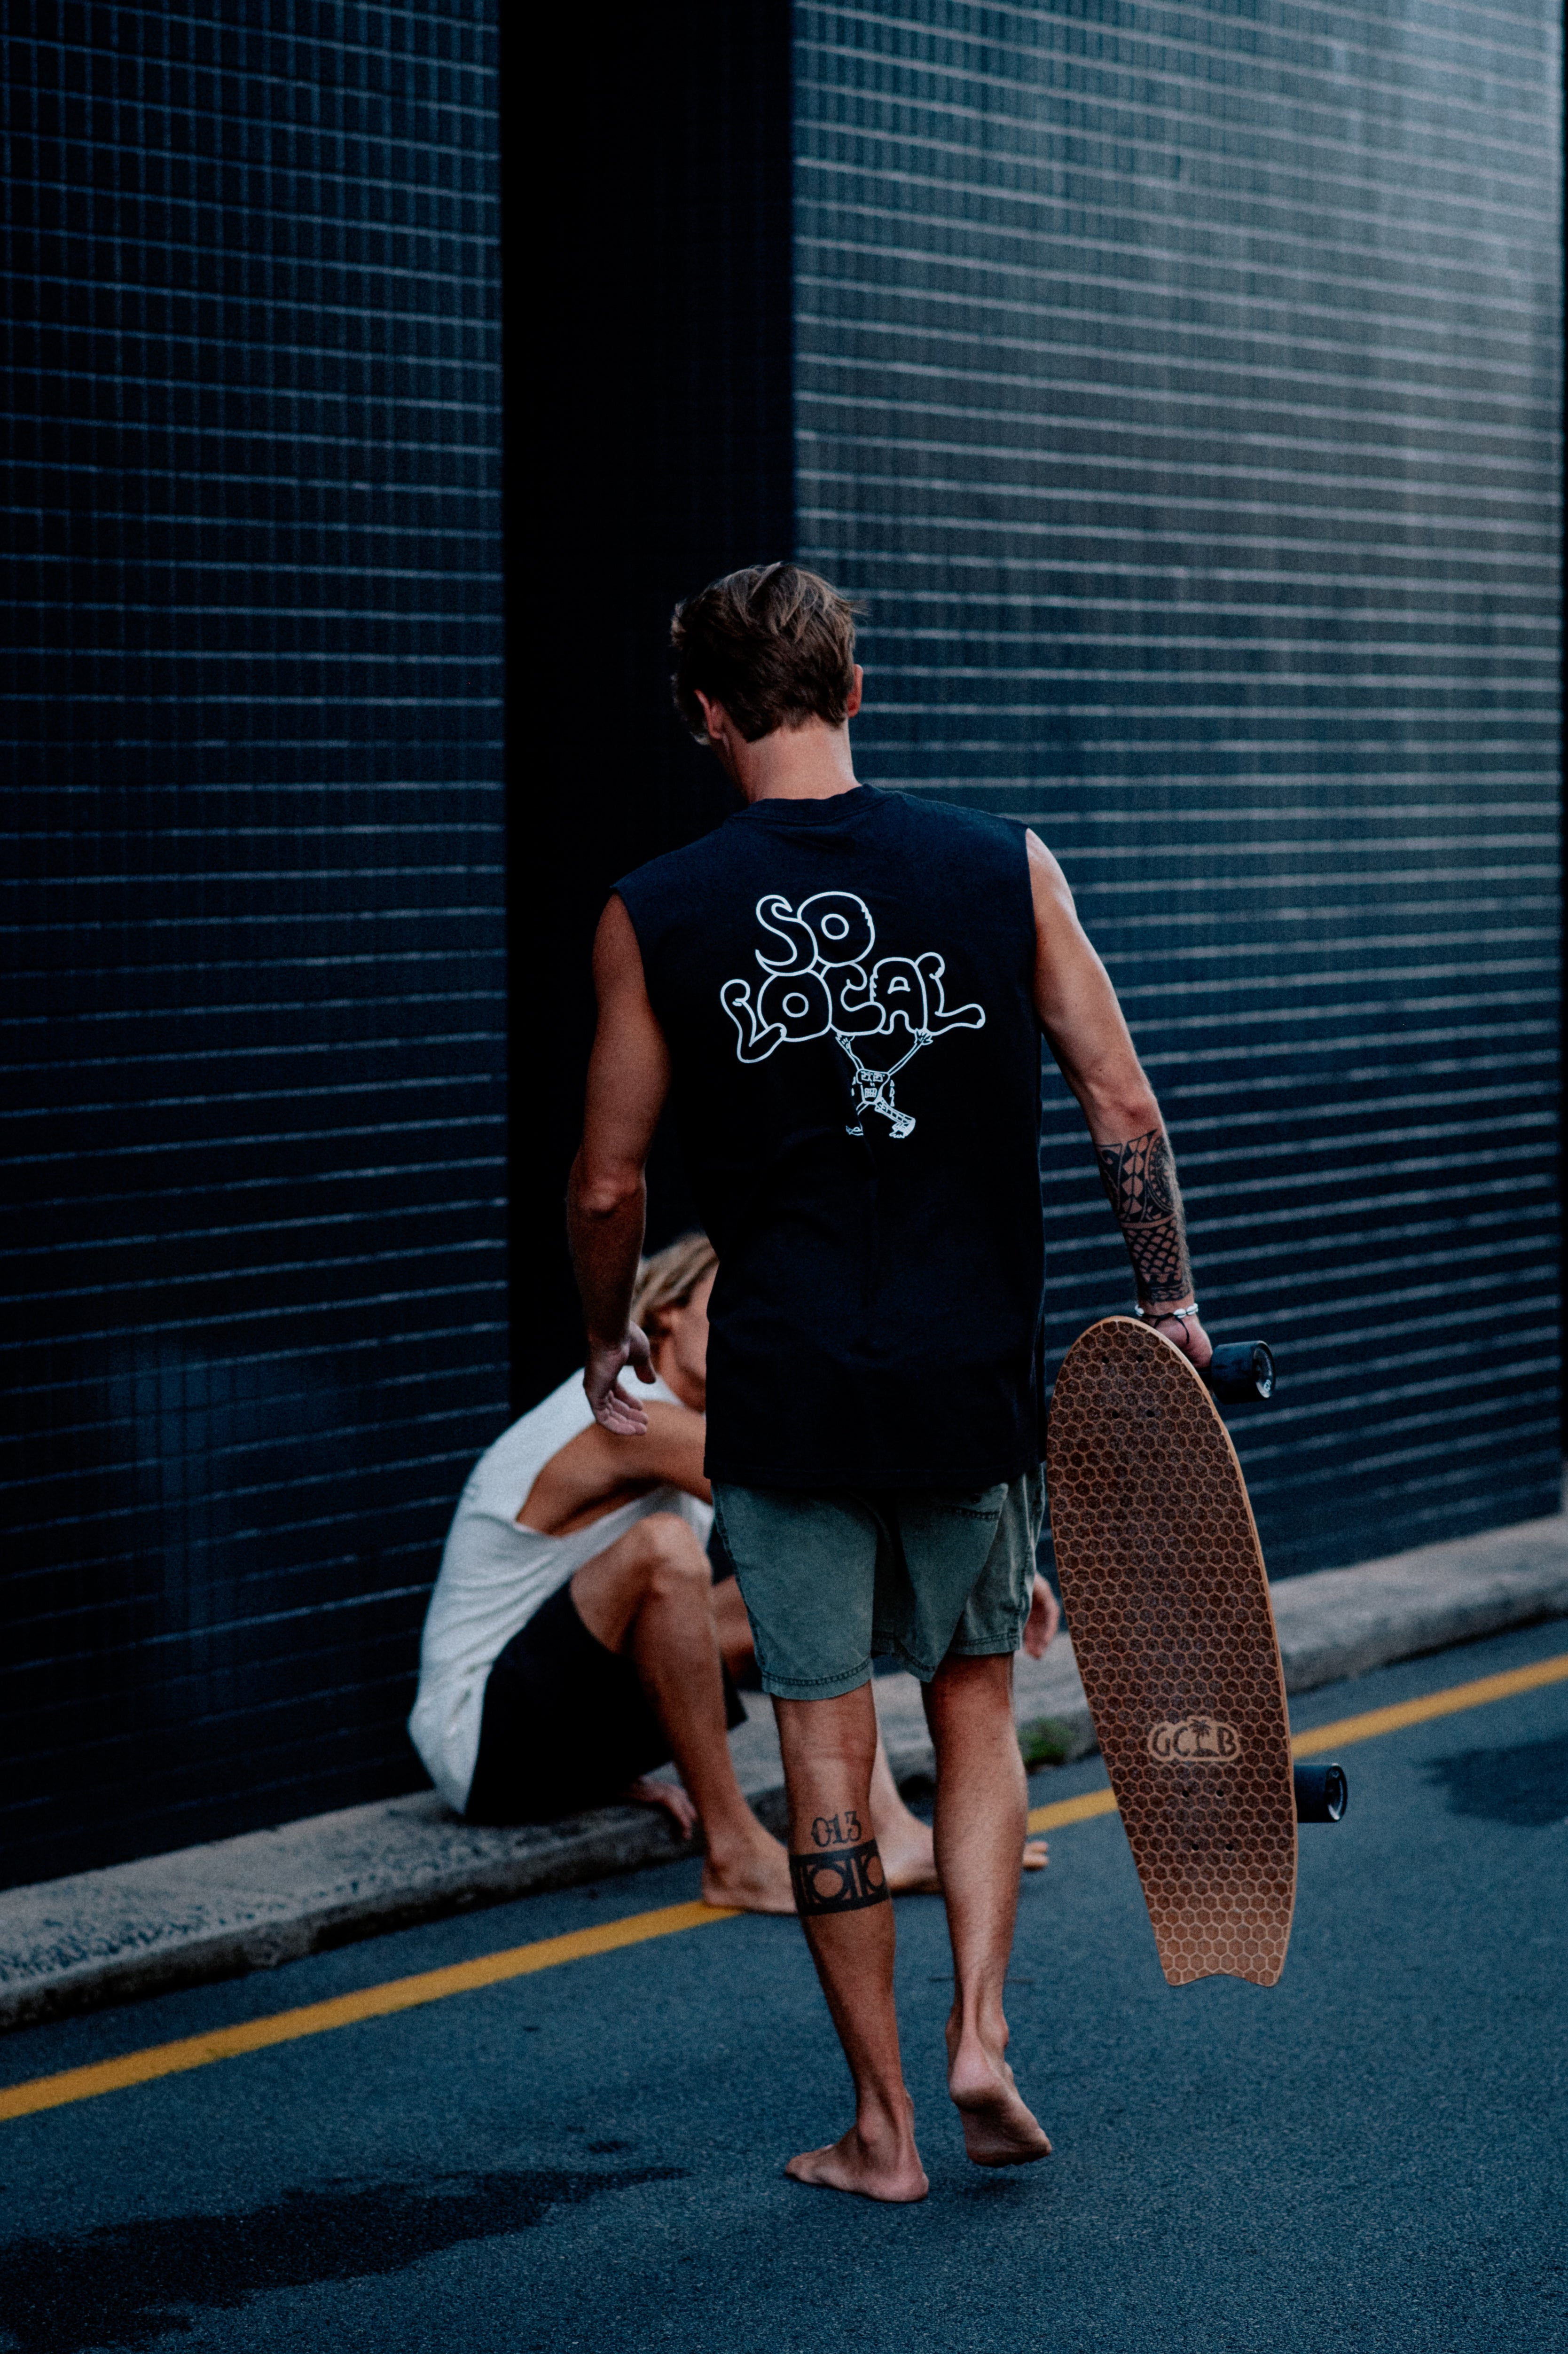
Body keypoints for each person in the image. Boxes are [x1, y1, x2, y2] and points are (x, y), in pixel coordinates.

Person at [568, 562, 1212, 2202]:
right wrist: (1171, 1305)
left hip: (785, 1391)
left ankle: (881, 2127)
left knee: (829, 1756)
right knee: (976, 1696)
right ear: (855, 691)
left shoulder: (655, 908)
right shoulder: (1003, 865)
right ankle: (982, 2030)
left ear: (704, 713)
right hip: (963, 1375)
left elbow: (603, 1185)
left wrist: (604, 1334)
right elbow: (1120, 1104)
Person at [408, 1232, 976, 1909]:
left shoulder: (701, 1424)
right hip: (480, 1747)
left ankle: (890, 1828)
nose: (750, 1327)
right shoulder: (624, 1412)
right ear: (669, 1310)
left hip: (566, 1734)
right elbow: (805, 1500)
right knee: (668, 1552)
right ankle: (733, 1853)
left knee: (805, 1583)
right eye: (731, 1302)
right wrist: (970, 1558)